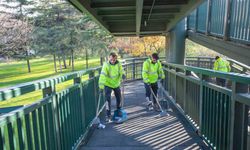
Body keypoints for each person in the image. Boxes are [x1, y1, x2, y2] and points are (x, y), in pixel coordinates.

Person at [99, 52, 125, 121]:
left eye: (114, 60)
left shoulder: (118, 64)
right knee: (108, 99)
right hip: (108, 84)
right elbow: (102, 75)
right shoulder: (106, 65)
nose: (113, 61)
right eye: (111, 60)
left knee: (119, 97)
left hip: (116, 83)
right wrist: (101, 87)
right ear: (109, 58)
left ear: (116, 59)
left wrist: (123, 74)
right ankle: (108, 114)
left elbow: (121, 71)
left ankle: (118, 110)